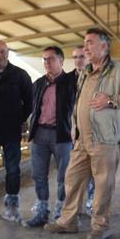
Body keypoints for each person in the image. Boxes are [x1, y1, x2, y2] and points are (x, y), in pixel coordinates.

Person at [44, 28, 120, 239]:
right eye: (85, 42)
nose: (86, 47)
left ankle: (100, 226)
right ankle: (68, 221)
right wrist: (74, 127)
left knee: (102, 185)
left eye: (90, 42)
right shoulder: (86, 72)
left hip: (105, 141)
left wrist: (111, 101)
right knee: (73, 179)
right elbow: (78, 103)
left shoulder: (119, 72)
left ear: (104, 46)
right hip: (81, 139)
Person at [25, 46, 76, 227]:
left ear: (61, 61)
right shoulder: (38, 83)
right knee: (38, 175)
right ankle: (42, 211)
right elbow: (31, 108)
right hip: (40, 135)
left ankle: (61, 212)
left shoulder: (71, 82)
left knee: (64, 176)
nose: (47, 62)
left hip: (61, 135)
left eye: (51, 58)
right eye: (44, 59)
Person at [0, 40, 33, 223]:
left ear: (8, 53)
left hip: (11, 131)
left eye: (2, 52)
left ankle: (12, 205)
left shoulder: (19, 75)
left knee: (13, 169)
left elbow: (29, 102)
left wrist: (19, 119)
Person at [71, 45, 95, 215]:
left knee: (94, 172)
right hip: (74, 133)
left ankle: (92, 202)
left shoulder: (96, 78)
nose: (78, 60)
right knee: (74, 174)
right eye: (75, 57)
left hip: (94, 134)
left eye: (81, 57)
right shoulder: (68, 79)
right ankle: (74, 208)